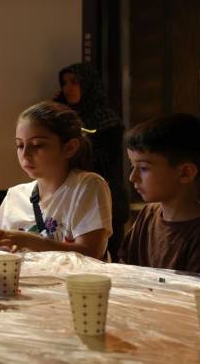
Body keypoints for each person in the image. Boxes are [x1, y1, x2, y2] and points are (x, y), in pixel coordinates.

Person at [0, 101, 112, 259]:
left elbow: (91, 253)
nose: (25, 154)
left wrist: (29, 241)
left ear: (69, 148)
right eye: (19, 145)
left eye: (37, 145)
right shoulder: (15, 194)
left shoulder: (87, 185)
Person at [118, 114, 200, 278]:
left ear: (185, 173)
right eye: (133, 166)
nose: (132, 177)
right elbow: (126, 273)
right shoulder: (147, 216)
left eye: (144, 168)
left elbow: (196, 297)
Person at [54, 63, 129, 261]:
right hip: (69, 197)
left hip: (102, 193)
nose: (67, 88)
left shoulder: (106, 120)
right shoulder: (61, 118)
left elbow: (106, 160)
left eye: (74, 82)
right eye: (64, 83)